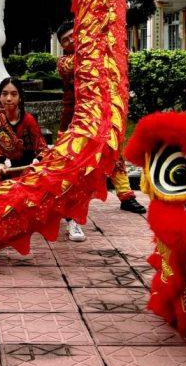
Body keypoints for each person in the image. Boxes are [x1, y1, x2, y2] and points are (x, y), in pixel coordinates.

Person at [56, 21, 146, 234]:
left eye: (72, 36)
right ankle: (66, 201)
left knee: (114, 153)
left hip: (102, 115)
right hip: (75, 120)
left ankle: (126, 195)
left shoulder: (96, 54)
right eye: (65, 40)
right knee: (70, 160)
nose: (70, 41)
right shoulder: (64, 62)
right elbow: (79, 65)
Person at [0, 77, 48, 177]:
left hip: (32, 171)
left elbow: (44, 150)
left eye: (14, 94)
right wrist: (0, 163)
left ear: (20, 97)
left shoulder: (28, 120)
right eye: (4, 94)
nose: (9, 99)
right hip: (13, 170)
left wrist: (36, 161)